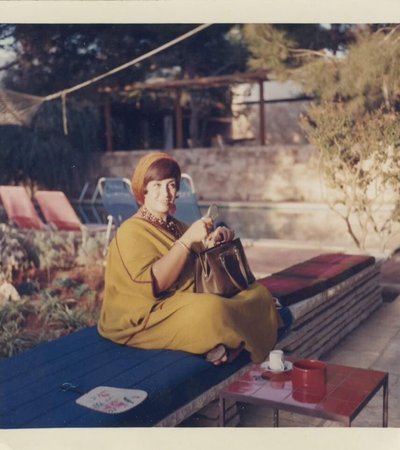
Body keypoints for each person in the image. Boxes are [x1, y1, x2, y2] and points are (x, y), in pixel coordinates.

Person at [98, 152, 281, 365]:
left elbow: (200, 258)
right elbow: (155, 283)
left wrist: (215, 242)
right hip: (149, 314)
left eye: (171, 185)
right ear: (143, 190)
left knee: (257, 293)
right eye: (157, 186)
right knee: (212, 310)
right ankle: (232, 340)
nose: (165, 193)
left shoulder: (174, 225)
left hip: (184, 299)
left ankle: (228, 344)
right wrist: (186, 241)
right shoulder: (130, 231)